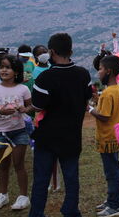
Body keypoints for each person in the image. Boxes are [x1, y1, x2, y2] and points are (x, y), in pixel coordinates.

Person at [28, 33, 92, 217]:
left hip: (47, 137)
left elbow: (38, 106)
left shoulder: (45, 78)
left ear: (51, 52)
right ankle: (71, 210)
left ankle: (37, 213)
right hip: (71, 136)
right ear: (70, 51)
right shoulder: (83, 74)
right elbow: (86, 96)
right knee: (71, 177)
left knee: (41, 179)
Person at [89, 55, 119, 216]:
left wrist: (89, 109)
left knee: (111, 173)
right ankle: (112, 199)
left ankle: (115, 204)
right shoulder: (118, 88)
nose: (98, 72)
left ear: (108, 71)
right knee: (113, 171)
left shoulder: (108, 93)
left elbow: (104, 116)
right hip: (115, 135)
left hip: (108, 137)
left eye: (101, 69)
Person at [0, 55, 33, 210]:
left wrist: (25, 109)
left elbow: (30, 107)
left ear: (16, 71)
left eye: (8, 67)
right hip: (0, 133)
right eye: (2, 67)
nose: (4, 70)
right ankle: (3, 195)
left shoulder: (23, 89)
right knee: (3, 165)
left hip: (19, 131)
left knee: (19, 164)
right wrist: (0, 112)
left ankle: (23, 197)